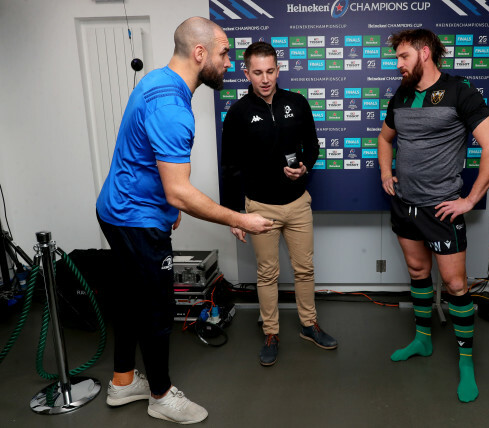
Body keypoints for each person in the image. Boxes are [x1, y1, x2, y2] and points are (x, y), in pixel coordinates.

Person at [96, 17, 272, 424]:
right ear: (199, 53)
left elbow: (146, 158)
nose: (230, 61)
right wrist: (241, 219)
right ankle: (160, 395)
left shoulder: (158, 81)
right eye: (225, 52)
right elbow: (178, 189)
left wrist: (169, 208)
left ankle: (123, 382)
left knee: (129, 298)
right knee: (157, 308)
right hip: (135, 219)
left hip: (115, 209)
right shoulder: (173, 107)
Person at [378, 29, 489, 403]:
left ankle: (466, 362)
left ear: (424, 53)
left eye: (403, 57)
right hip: (405, 204)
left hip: (441, 207)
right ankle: (422, 340)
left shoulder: (460, 91)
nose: (398, 64)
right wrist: (387, 173)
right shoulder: (401, 94)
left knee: (454, 286)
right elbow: (385, 139)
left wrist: (469, 199)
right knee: (418, 273)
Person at [221, 41, 337, 367]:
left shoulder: (296, 103)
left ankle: (308, 325)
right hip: (260, 208)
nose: (265, 78)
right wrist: (233, 215)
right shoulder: (238, 113)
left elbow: (312, 147)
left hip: (298, 203)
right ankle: (271, 331)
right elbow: (229, 166)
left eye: (270, 71)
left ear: (278, 69)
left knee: (305, 269)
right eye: (257, 72)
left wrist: (304, 166)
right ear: (246, 72)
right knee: (267, 273)